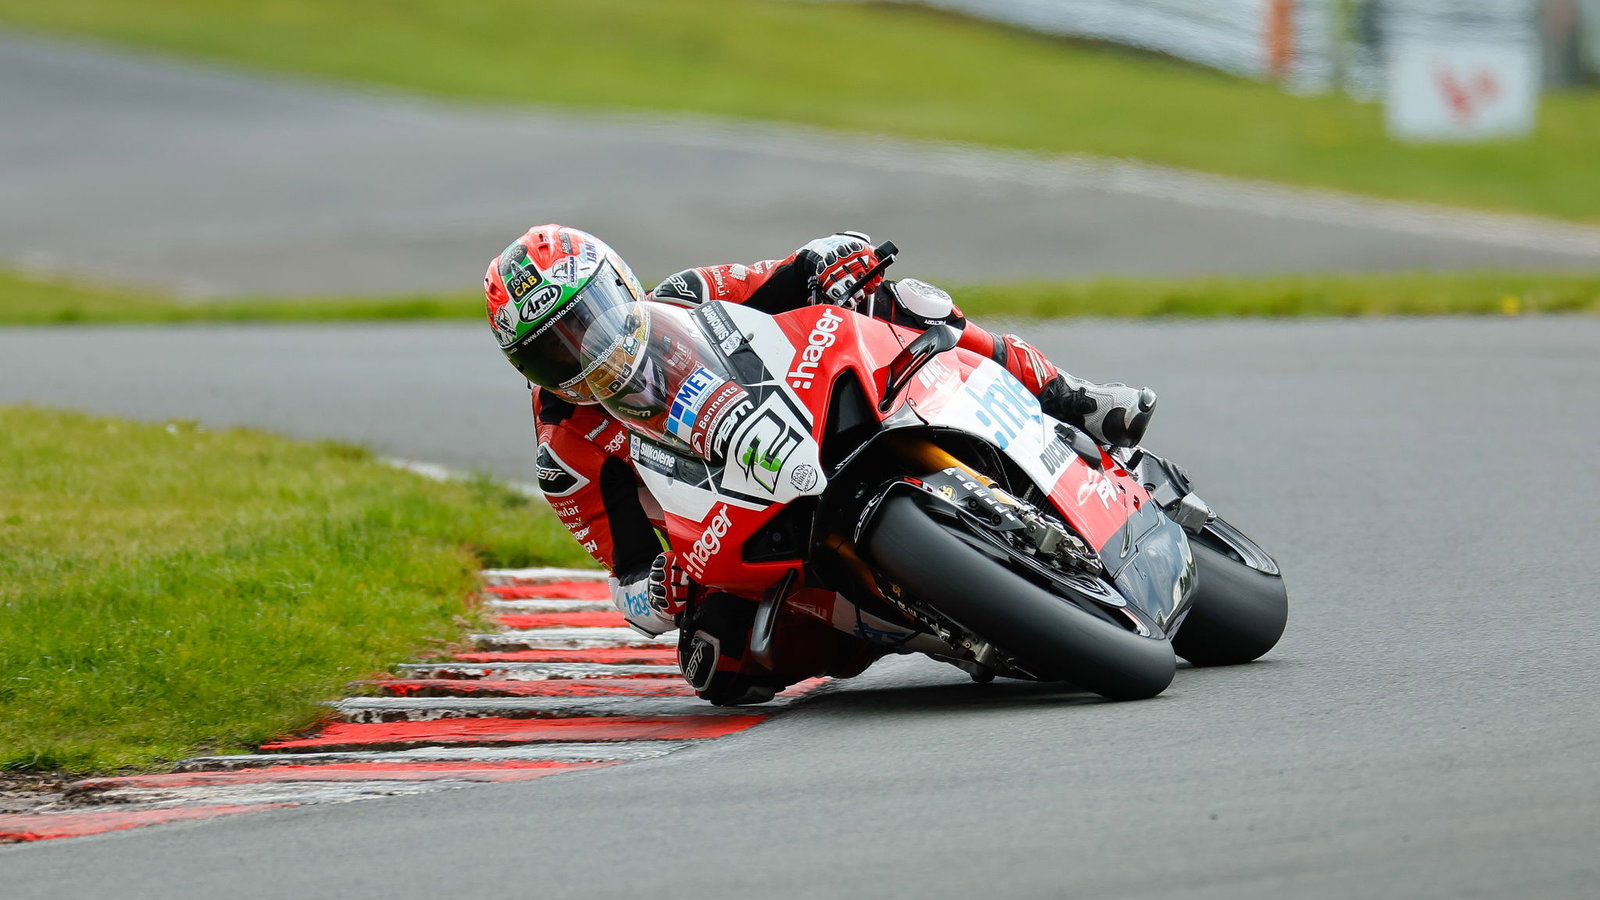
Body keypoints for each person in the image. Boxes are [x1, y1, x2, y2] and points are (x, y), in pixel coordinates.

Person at [484, 224, 1156, 703]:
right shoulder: (563, 453)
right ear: (526, 368)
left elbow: (784, 276)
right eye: (553, 351)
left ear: (621, 285)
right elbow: (625, 568)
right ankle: (928, 620)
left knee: (908, 302)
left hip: (799, 416)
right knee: (718, 669)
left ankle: (1071, 396)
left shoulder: (686, 293)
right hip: (730, 509)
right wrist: (654, 590)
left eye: (588, 318)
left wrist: (831, 260)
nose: (583, 351)